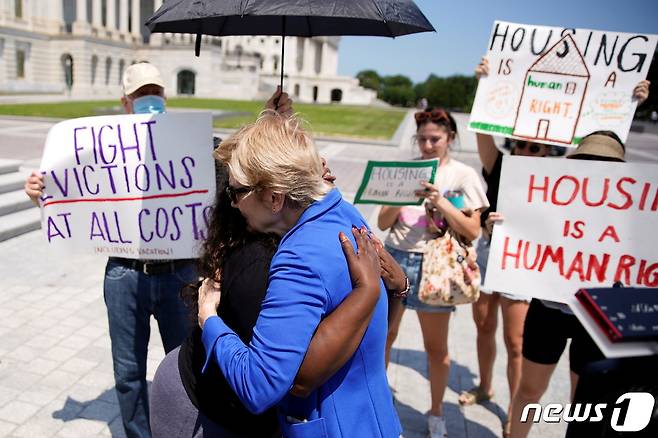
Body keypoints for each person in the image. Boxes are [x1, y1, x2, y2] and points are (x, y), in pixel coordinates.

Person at [23, 62, 294, 438]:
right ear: (126, 102)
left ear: (165, 97)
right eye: (140, 95)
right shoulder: (102, 149)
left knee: (185, 363)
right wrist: (43, 194)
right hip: (123, 272)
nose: (149, 100)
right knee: (128, 372)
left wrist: (270, 121)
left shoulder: (191, 143)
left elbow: (239, 159)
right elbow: (75, 197)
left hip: (180, 273)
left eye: (155, 93)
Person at [150, 160, 409, 437]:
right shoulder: (269, 262)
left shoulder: (335, 227)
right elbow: (287, 381)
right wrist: (369, 292)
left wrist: (394, 290)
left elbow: (372, 340)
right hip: (202, 409)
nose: (323, 168)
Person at [195, 111, 401, 437]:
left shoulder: (298, 259)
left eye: (236, 192)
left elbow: (258, 387)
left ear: (275, 198)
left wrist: (210, 320)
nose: (231, 203)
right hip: (374, 419)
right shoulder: (342, 210)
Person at [507, 130, 647, 438]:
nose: (595, 168)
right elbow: (523, 240)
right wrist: (503, 227)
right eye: (588, 160)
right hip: (548, 309)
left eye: (604, 163)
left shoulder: (634, 213)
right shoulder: (551, 200)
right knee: (529, 390)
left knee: (584, 397)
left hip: (599, 316)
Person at [378, 107, 489, 438]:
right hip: (396, 257)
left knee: (436, 349)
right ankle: (380, 403)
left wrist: (440, 202)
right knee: (383, 337)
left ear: (450, 138)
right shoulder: (406, 169)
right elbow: (384, 222)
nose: (427, 145)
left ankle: (437, 411)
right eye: (422, 139)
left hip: (437, 266)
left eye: (435, 139)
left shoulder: (463, 175)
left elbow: (472, 231)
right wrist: (401, 197)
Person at [458, 58, 550, 438]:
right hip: (490, 255)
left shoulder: (557, 178)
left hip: (524, 265)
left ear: (547, 151)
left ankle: (515, 409)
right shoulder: (500, 166)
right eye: (523, 144)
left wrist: (629, 103)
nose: (528, 150)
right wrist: (485, 84)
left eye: (535, 146)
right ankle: (484, 385)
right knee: (483, 327)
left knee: (516, 342)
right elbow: (482, 135)